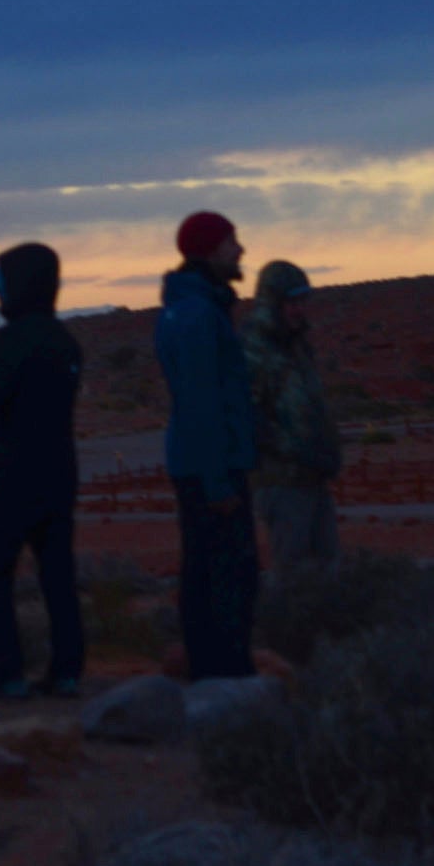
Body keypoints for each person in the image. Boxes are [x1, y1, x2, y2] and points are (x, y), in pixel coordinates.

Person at [0, 242, 85, 700]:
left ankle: (4, 675)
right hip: (60, 469)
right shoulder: (64, 340)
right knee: (57, 575)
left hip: (13, 473)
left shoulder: (13, 341)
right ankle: (67, 672)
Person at [154, 211, 259, 679]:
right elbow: (202, 401)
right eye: (231, 242)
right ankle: (226, 675)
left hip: (197, 462)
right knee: (229, 575)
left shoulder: (185, 309)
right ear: (209, 250)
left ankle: (209, 671)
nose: (240, 250)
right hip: (211, 467)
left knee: (205, 572)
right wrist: (219, 482)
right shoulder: (199, 315)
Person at [241, 260, 342, 579]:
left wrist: (325, 452)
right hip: (282, 483)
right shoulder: (253, 351)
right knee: (294, 578)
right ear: (272, 302)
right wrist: (298, 450)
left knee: (329, 572)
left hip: (313, 478)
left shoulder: (296, 346)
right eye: (291, 302)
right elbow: (250, 420)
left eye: (302, 301)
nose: (299, 309)